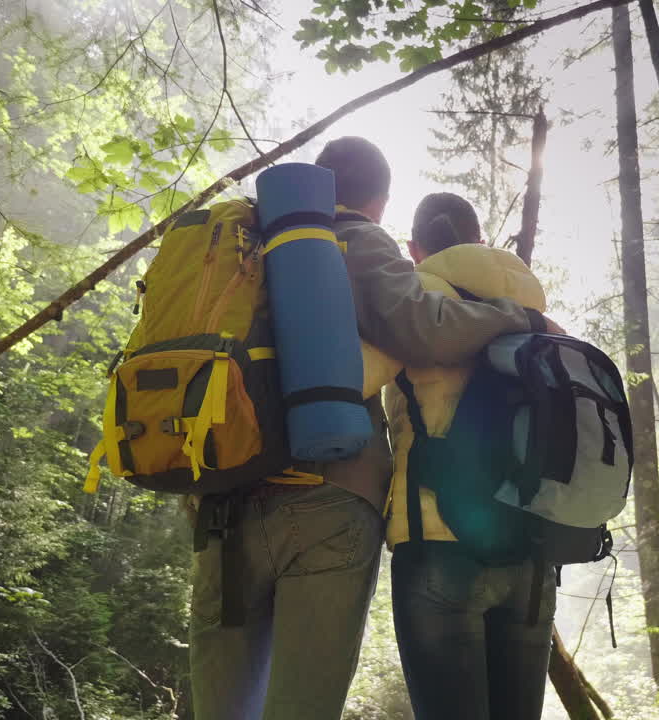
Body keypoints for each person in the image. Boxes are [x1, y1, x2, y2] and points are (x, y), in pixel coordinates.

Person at [188, 138, 558, 720]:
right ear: (380, 202)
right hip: (328, 497)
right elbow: (421, 331)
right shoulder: (358, 238)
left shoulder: (241, 243)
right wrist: (523, 319)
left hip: (221, 499)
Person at [382, 192, 557, 720]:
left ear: (415, 248)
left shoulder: (414, 298)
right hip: (532, 547)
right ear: (481, 239)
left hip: (436, 540)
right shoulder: (534, 309)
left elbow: (351, 380)